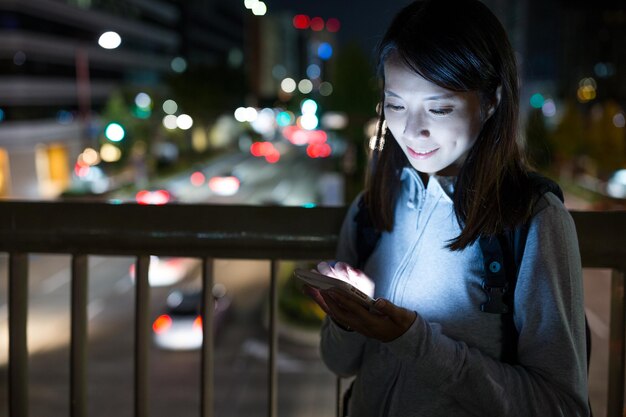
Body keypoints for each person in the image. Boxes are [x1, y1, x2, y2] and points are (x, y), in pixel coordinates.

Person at [303, 0, 590, 416]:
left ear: (491, 101)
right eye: (396, 104)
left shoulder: (531, 221)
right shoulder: (372, 208)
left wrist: (414, 341)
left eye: (439, 108)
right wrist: (347, 319)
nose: (411, 129)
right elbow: (338, 362)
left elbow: (561, 405)